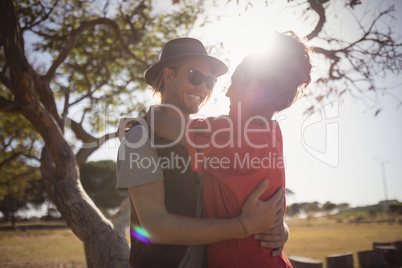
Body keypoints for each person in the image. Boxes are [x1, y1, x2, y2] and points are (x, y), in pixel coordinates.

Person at [116, 37, 289, 268]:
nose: (203, 88)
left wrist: (279, 229)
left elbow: (251, 196)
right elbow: (153, 227)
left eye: (210, 81)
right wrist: (243, 226)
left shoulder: (210, 135)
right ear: (168, 75)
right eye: (195, 76)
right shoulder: (139, 138)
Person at [149, 31, 312, 267]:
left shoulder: (229, 135)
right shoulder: (272, 132)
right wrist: (282, 229)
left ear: (254, 88)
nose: (225, 92)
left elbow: (161, 123)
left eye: (233, 83)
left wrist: (149, 115)